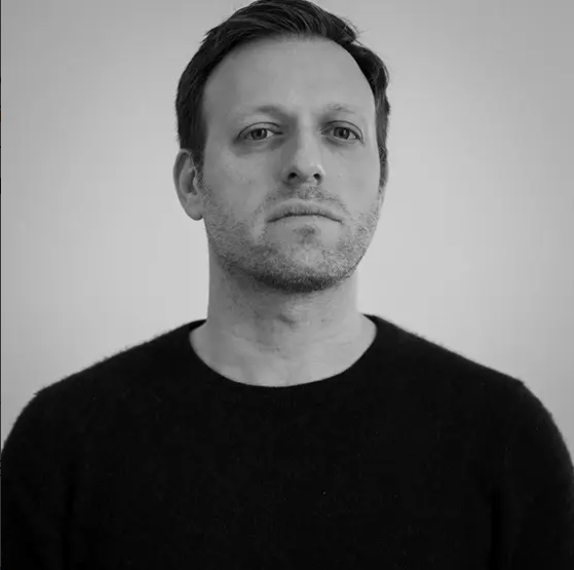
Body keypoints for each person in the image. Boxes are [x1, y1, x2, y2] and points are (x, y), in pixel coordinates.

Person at [3, 0, 573, 567]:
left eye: (342, 131)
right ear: (192, 182)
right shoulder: (61, 444)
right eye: (260, 132)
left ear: (381, 180)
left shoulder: (505, 438)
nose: (305, 162)